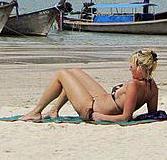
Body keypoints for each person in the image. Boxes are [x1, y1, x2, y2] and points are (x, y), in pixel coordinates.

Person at [19, 49, 159, 123]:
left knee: (61, 74)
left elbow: (125, 118)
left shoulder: (134, 85)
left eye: (132, 66)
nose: (130, 68)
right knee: (75, 72)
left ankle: (36, 112)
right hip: (102, 99)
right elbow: (152, 114)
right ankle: (54, 111)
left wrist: (99, 116)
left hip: (91, 108)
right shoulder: (152, 86)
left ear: (141, 68)